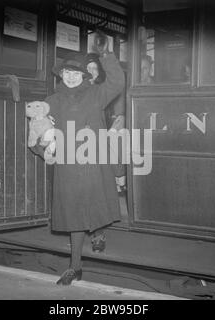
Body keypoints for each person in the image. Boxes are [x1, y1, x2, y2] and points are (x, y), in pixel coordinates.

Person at [30, 33, 125, 285]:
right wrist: (45, 149)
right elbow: (37, 132)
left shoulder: (97, 94)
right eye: (66, 72)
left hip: (94, 160)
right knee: (74, 213)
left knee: (96, 204)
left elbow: (117, 82)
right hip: (69, 165)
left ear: (84, 76)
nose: (71, 76)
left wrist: (105, 54)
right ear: (61, 75)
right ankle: (74, 267)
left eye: (76, 72)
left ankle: (100, 232)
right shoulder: (51, 102)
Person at [84, 52, 127, 253]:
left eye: (95, 68)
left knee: (96, 191)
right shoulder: (72, 91)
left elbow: (118, 117)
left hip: (99, 144)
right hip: (75, 146)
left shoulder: (104, 91)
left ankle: (98, 235)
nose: (91, 72)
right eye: (88, 68)